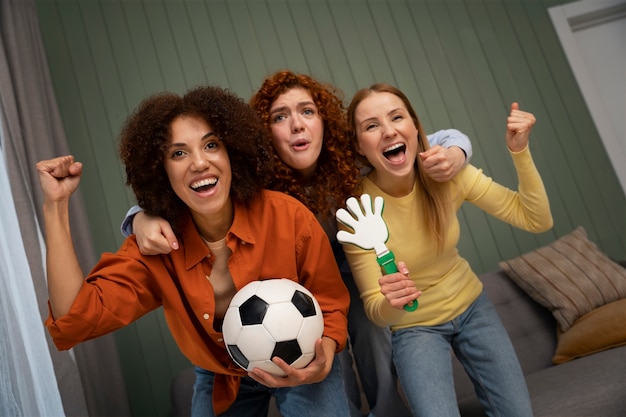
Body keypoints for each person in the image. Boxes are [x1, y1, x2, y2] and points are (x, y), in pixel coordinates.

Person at [123, 71, 473, 417]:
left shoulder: (351, 162)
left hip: (353, 274)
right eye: (280, 117)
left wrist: (457, 152)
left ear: (325, 122)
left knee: (372, 330)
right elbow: (186, 193)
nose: (297, 125)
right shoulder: (254, 180)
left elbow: (440, 136)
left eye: (307, 111)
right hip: (297, 289)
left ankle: (387, 410)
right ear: (262, 133)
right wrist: (138, 218)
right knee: (321, 348)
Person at [36, 85, 353, 417]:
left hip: (301, 359)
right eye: (178, 153)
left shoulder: (288, 217)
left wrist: (324, 357)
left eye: (211, 145)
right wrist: (55, 207)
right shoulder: (156, 247)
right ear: (161, 171)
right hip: (221, 374)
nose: (200, 162)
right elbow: (76, 319)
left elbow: (329, 300)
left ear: (232, 152)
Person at [339, 83, 553, 416]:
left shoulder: (448, 173)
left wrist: (520, 150)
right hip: (415, 329)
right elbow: (376, 310)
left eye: (397, 117)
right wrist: (395, 301)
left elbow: (535, 219)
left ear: (414, 126)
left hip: (474, 309)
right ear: (358, 145)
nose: (388, 131)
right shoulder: (358, 211)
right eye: (371, 125)